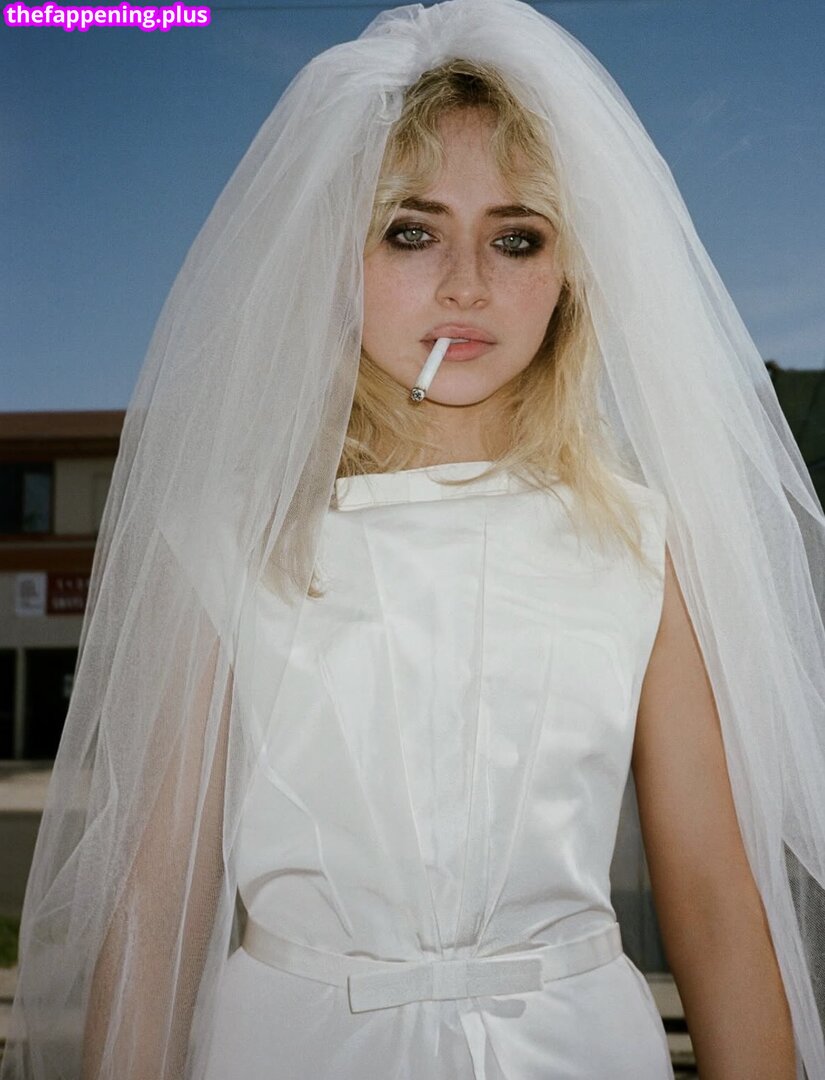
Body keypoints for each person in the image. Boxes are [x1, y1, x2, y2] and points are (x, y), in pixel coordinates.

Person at [2, 1, 823, 1078]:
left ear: (571, 272)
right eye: (411, 230)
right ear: (334, 256)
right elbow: (155, 908)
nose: (466, 283)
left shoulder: (640, 544)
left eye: (516, 237)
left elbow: (714, 897)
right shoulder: (227, 540)